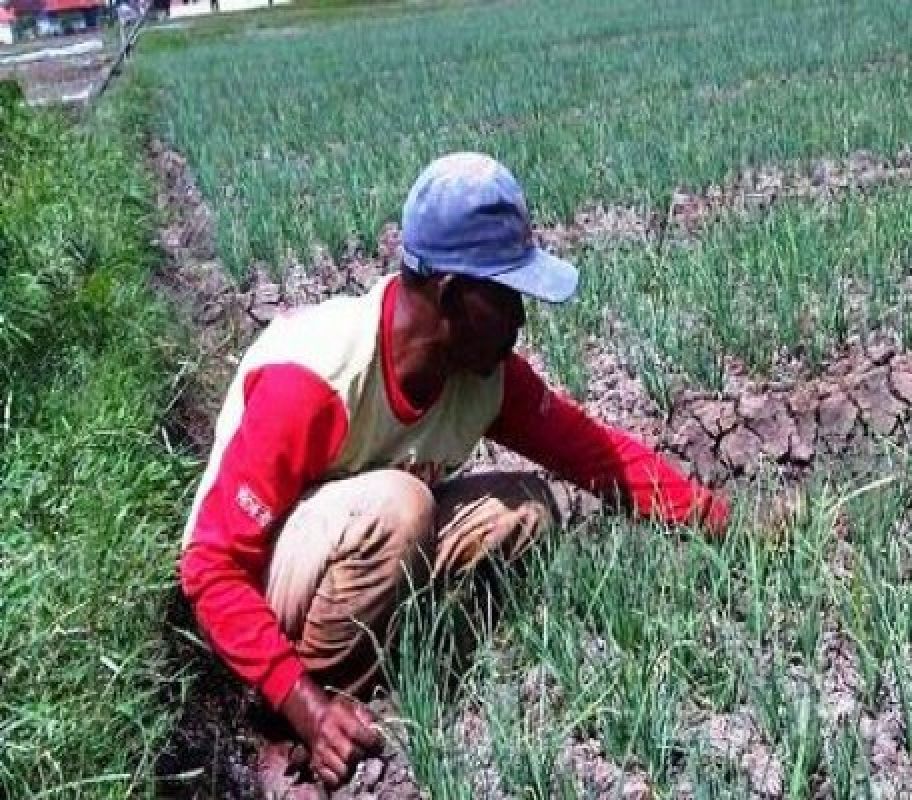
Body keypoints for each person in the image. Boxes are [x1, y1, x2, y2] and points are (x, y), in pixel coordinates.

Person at [178, 152, 731, 788]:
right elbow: (209, 570)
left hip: (353, 554)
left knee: (526, 507)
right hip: (258, 592)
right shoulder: (314, 382)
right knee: (401, 506)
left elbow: (595, 454)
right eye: (507, 297)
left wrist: (723, 523)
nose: (521, 321)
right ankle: (293, 721)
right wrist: (302, 701)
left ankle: (402, 659)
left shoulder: (483, 377)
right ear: (451, 295)